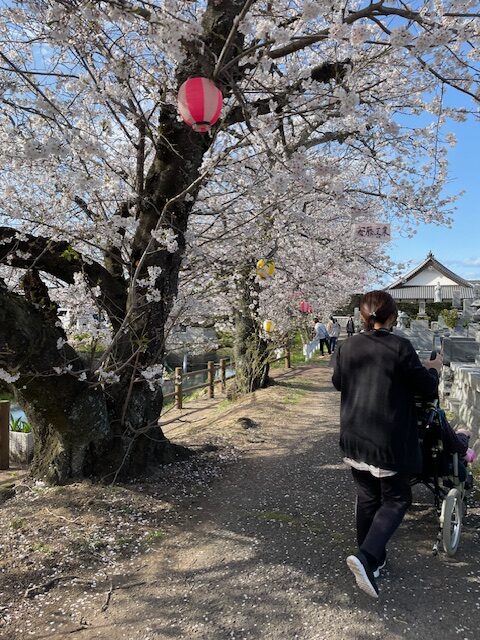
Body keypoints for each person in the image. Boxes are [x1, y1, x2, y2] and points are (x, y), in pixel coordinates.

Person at [332, 290, 442, 599]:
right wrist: (434, 369)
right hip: (387, 440)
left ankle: (372, 559)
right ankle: (367, 556)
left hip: (354, 437)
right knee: (396, 499)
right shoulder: (400, 346)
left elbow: (339, 383)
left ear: (362, 316)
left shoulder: (346, 346)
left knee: (368, 497)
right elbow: (427, 388)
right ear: (392, 316)